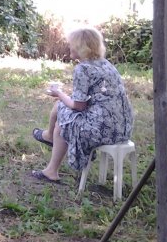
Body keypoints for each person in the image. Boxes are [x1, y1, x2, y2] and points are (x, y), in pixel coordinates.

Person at [31, 26, 133, 183]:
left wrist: (58, 93)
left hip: (101, 130)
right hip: (122, 129)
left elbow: (79, 106)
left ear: (80, 46)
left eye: (71, 43)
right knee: (63, 108)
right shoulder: (106, 64)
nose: (69, 46)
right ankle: (49, 138)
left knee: (62, 115)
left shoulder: (83, 68)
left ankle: (51, 161)